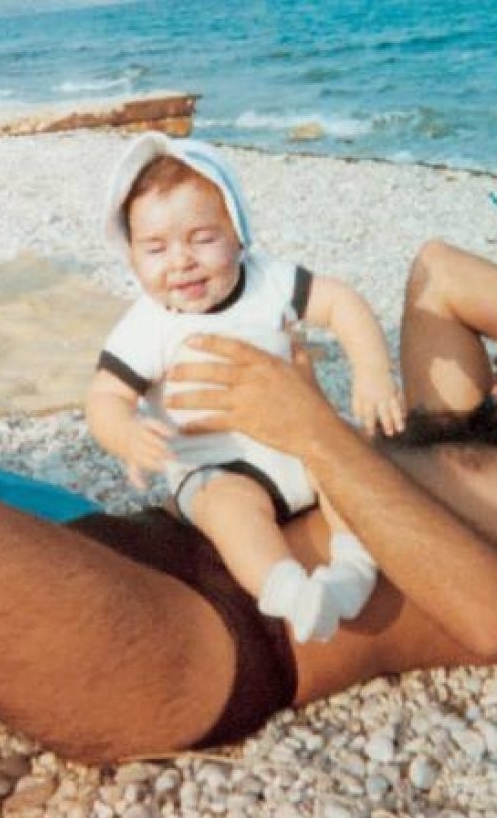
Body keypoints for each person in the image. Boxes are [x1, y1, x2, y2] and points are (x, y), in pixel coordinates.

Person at [0, 239, 497, 764]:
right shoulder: (466, 414)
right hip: (129, 539)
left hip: (204, 632)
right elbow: (439, 270)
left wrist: (313, 429)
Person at [86, 133, 404, 643]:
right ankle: (285, 589)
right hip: (215, 463)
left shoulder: (269, 282)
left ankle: (352, 572)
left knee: (347, 464)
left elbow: (341, 303)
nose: (181, 261)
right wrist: (125, 434)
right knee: (229, 510)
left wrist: (372, 372)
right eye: (156, 248)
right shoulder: (148, 325)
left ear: (237, 233)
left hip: (298, 440)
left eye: (202, 238)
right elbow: (105, 396)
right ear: (132, 258)